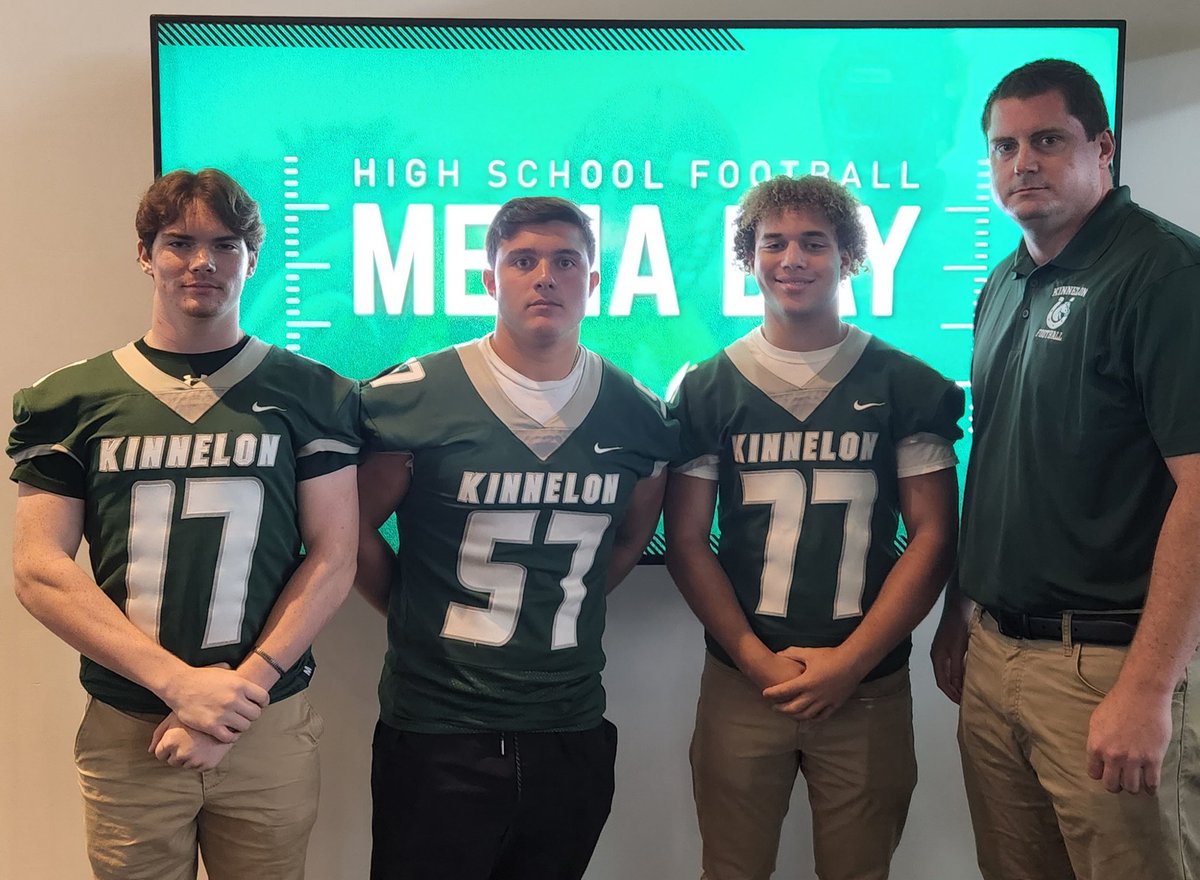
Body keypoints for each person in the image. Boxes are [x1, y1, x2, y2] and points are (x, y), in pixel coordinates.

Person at [8, 168, 360, 880]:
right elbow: (38, 567)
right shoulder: (71, 399)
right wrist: (182, 686)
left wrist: (237, 695)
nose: (203, 262)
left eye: (225, 245)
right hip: (129, 723)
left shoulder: (312, 392)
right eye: (179, 242)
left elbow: (335, 554)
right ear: (146, 254)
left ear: (251, 259)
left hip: (266, 721)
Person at [931, 58, 1200, 880]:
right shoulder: (1003, 282)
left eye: (1047, 140)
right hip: (996, 654)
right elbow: (1000, 459)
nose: (1024, 163)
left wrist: (1148, 691)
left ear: (1103, 147)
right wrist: (958, 610)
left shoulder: (1163, 272)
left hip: (1106, 669)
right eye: (1004, 147)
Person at [356, 195, 678, 880]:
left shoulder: (640, 415)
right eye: (523, 260)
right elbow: (345, 529)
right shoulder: (414, 395)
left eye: (566, 261)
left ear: (593, 283)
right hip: (438, 727)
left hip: (569, 722)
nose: (545, 277)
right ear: (489, 279)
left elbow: (625, 545)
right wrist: (413, 607)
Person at [664, 174, 963, 880]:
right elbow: (684, 541)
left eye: (813, 242)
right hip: (745, 678)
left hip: (867, 684)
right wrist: (753, 656)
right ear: (749, 254)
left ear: (849, 255)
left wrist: (853, 661)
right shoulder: (709, 386)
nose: (792, 258)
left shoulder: (904, 384)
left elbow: (933, 536)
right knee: (730, 871)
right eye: (774, 242)